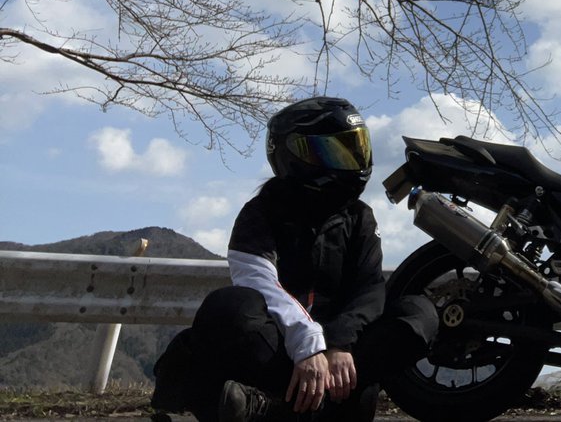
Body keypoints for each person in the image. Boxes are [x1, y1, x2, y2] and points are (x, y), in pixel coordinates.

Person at [151, 97, 436, 422]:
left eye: (356, 149)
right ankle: (301, 407)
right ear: (296, 155)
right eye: (336, 151)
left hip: (339, 360)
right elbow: (259, 282)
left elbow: (369, 289)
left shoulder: (359, 217)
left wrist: (337, 344)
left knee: (419, 313)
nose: (353, 161)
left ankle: (272, 410)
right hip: (279, 349)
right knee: (228, 307)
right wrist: (307, 345)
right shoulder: (260, 212)